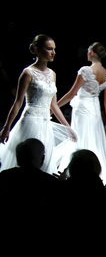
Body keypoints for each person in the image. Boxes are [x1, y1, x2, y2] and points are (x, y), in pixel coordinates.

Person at [0, 34, 77, 174]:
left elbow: (54, 105)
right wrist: (7, 127)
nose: (53, 52)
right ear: (37, 49)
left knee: (44, 162)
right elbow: (18, 102)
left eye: (54, 49)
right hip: (30, 121)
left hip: (46, 124)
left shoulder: (52, 74)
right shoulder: (28, 73)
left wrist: (68, 127)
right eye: (49, 49)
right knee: (28, 161)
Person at [56, 42, 106, 186]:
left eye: (88, 51)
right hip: (95, 112)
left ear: (92, 53)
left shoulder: (86, 70)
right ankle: (93, 174)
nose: (86, 54)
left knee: (79, 140)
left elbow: (71, 94)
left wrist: (54, 107)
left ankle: (76, 174)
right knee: (94, 141)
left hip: (82, 110)